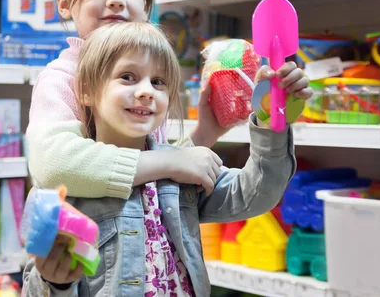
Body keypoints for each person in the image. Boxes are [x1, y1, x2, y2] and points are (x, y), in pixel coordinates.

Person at [23, 22, 309, 296]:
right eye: (127, 77)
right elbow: (37, 285)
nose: (147, 91)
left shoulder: (183, 167)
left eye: (158, 82)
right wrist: (55, 283)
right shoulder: (70, 188)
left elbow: (256, 193)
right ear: (86, 89)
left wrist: (271, 119)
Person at [27, 0, 301, 200]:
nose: (116, 0)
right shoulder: (62, 78)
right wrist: (171, 162)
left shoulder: (148, 77)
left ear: (147, 6)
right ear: (64, 3)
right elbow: (53, 165)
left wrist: (207, 131)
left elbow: (161, 184)